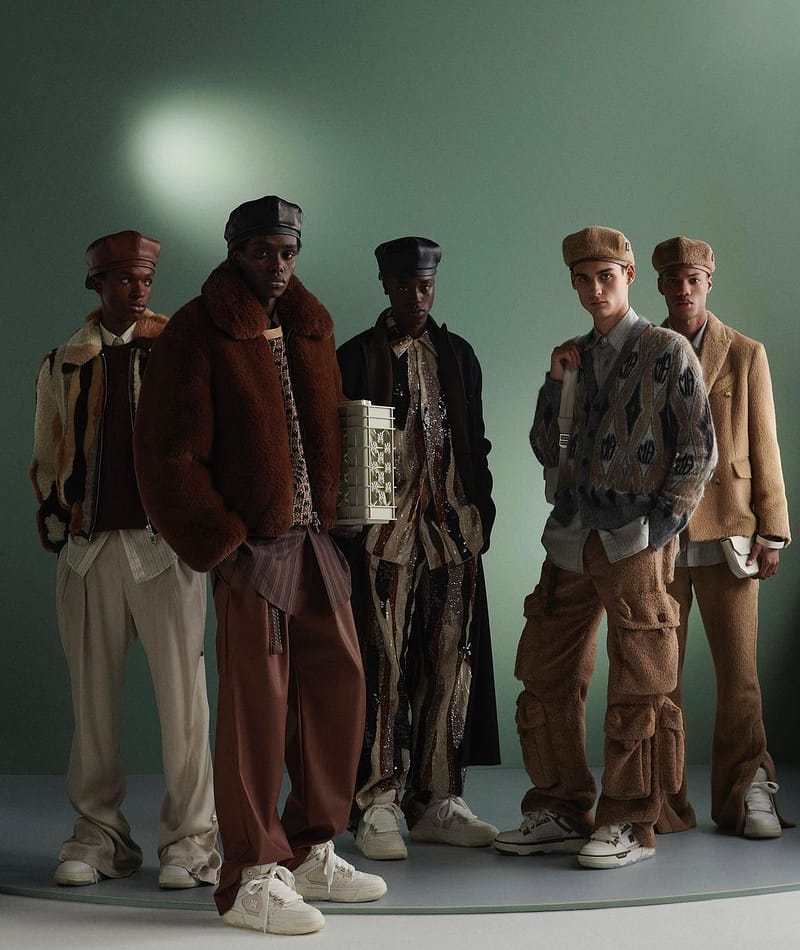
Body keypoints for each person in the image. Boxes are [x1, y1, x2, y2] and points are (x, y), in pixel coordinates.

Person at [133, 196, 386, 936]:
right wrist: (224, 542)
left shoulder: (312, 325)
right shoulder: (195, 330)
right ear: (235, 251)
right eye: (261, 252)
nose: (277, 265)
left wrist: (347, 508)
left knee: (340, 687)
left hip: (315, 541)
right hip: (251, 549)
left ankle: (310, 849)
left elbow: (332, 426)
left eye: (287, 252)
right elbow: (165, 455)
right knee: (256, 710)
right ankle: (250, 875)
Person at [494, 226, 717, 869]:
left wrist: (660, 527)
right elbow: (549, 450)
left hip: (634, 539)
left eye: (607, 277)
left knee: (641, 680)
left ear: (628, 276)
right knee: (545, 672)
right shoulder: (574, 358)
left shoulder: (668, 349)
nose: (595, 290)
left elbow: (699, 449)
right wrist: (554, 383)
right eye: (583, 280)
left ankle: (628, 822)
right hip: (571, 537)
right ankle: (560, 809)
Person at [30, 230, 220, 890]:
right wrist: (63, 524)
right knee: (93, 710)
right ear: (98, 284)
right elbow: (47, 454)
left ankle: (192, 842)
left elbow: (206, 443)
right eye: (122, 280)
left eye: (144, 279)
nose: (137, 291)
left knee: (185, 706)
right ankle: (100, 835)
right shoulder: (63, 363)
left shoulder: (178, 351)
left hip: (164, 549)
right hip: (88, 554)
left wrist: (196, 526)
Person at [337, 236, 500, 862]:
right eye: (405, 286)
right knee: (382, 667)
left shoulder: (459, 355)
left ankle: (438, 799)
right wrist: (352, 527)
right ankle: (377, 799)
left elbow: (475, 441)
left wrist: (481, 513)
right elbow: (346, 447)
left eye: (424, 286)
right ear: (387, 287)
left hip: (452, 535)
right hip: (385, 537)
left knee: (451, 666)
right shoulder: (359, 356)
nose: (416, 297)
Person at [651, 235, 791, 839]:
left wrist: (773, 529)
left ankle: (746, 788)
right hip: (660, 533)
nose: (684, 290)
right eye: (673, 280)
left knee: (740, 676)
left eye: (694, 280)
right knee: (659, 675)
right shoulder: (644, 349)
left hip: (732, 529)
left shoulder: (744, 352)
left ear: (709, 282)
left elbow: (764, 442)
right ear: (659, 285)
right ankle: (659, 799)